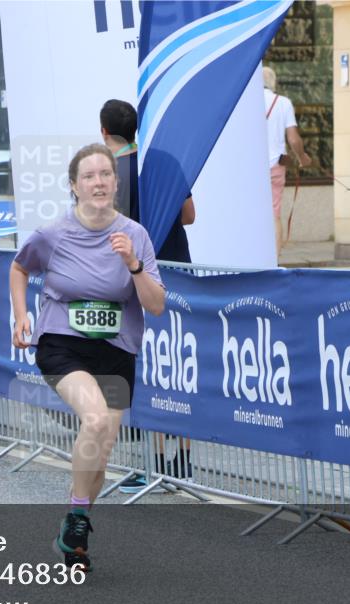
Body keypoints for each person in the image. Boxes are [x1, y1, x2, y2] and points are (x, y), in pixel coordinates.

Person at [10, 143, 165, 571]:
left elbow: (155, 306)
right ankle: (77, 517)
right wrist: (22, 315)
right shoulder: (53, 235)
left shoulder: (136, 235)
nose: (98, 182)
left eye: (105, 175)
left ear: (116, 183)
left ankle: (73, 536)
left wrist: (133, 265)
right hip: (63, 343)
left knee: (102, 445)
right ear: (74, 186)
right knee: (94, 420)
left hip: (116, 350)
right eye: (88, 176)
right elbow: (19, 268)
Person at [99, 99, 194, 492]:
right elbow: (189, 215)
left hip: (137, 279)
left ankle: (154, 466)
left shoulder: (110, 173)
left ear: (104, 131)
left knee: (149, 367)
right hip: (180, 269)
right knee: (181, 366)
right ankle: (183, 464)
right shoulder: (165, 160)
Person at [263, 66, 312, 255]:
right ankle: (274, 261)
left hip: (250, 168)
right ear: (273, 82)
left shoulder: (246, 103)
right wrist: (302, 158)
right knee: (274, 214)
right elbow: (293, 138)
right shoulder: (283, 103)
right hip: (275, 166)